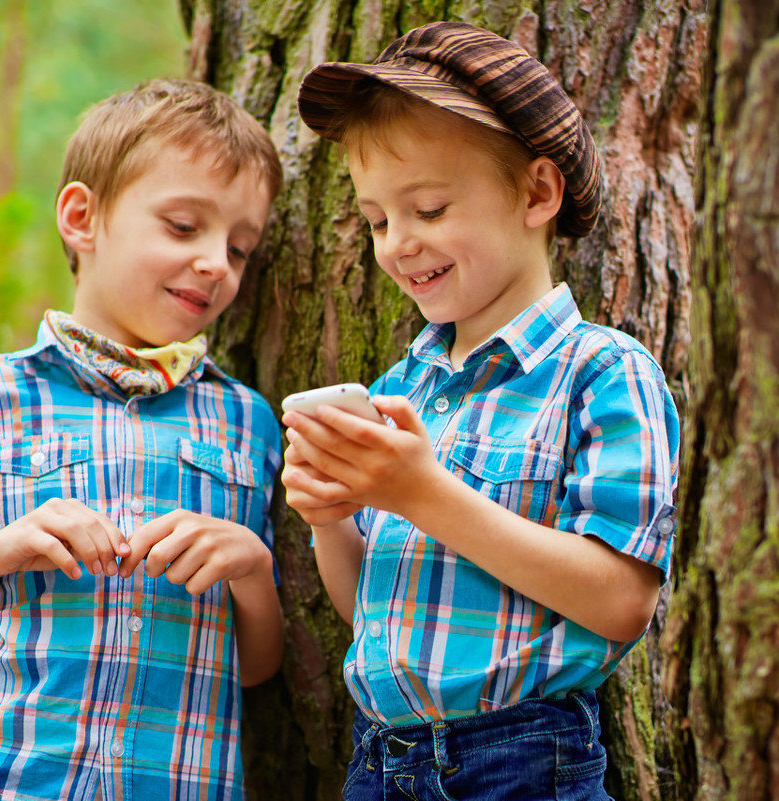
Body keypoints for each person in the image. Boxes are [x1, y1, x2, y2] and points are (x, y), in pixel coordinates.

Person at [281, 22, 679, 800]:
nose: (397, 244)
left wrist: (420, 493)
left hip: (522, 757)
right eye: (377, 220)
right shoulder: (407, 385)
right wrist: (332, 517)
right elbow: (370, 608)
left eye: (427, 208)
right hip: (381, 759)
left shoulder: (601, 375)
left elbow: (623, 600)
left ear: (537, 192)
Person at [0, 78, 285, 800]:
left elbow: (255, 666)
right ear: (82, 218)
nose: (217, 262)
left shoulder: (247, 420)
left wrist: (250, 567)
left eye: (240, 249)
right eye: (184, 226)